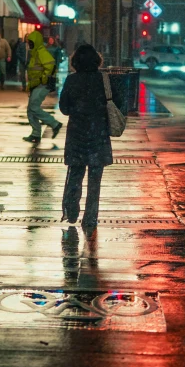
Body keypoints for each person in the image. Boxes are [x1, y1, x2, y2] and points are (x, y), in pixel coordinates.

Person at [59, 43, 121, 231]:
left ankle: (71, 210)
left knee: (75, 174)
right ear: (96, 60)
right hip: (98, 136)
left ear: (75, 61)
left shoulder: (72, 80)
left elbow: (64, 108)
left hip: (77, 135)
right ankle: (91, 217)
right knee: (95, 180)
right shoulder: (104, 80)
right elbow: (117, 103)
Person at [24, 30, 63, 144]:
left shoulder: (41, 52)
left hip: (42, 84)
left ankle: (54, 124)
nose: (28, 44)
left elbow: (51, 66)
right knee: (30, 110)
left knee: (33, 107)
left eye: (30, 42)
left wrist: (43, 79)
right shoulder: (35, 53)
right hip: (37, 85)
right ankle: (36, 134)